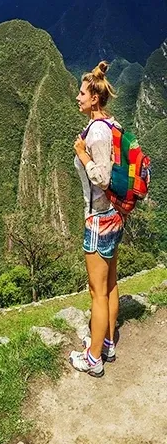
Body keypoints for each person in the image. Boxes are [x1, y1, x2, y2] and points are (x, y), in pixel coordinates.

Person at [70, 60, 123, 378]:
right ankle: (107, 342)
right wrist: (97, 73)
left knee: (97, 291)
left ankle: (93, 358)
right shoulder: (107, 124)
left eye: (81, 93)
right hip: (112, 216)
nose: (77, 97)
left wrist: (83, 154)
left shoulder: (98, 135)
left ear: (94, 99)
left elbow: (102, 177)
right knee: (111, 283)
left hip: (100, 219)